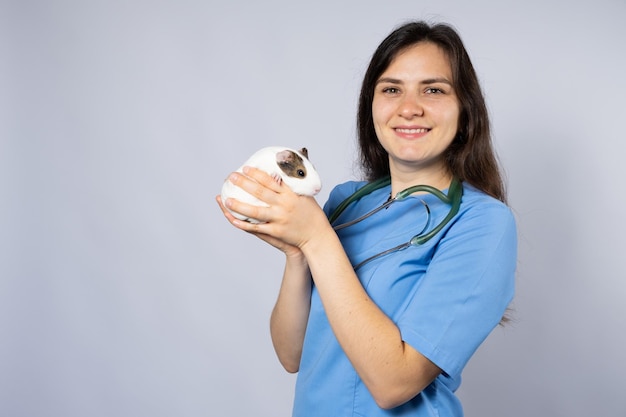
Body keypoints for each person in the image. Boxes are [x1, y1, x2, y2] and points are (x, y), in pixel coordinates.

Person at [217, 20, 516, 417]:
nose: (409, 107)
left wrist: (316, 238)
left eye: (434, 89)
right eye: (391, 89)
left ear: (465, 109)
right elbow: (292, 354)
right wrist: (296, 254)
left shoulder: (483, 224)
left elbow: (395, 383)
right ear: (370, 106)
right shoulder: (344, 203)